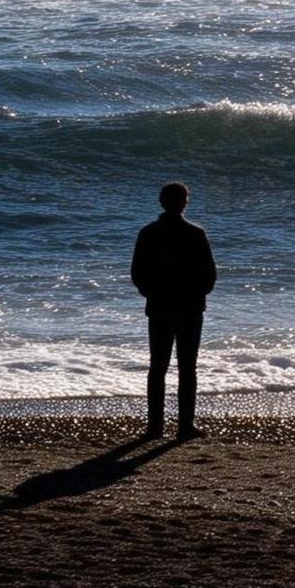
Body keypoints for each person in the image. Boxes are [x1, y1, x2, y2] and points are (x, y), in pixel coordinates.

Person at [130, 180, 217, 441]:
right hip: (190, 308)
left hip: (159, 307)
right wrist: (198, 294)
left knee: (158, 366)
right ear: (185, 203)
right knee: (187, 367)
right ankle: (184, 427)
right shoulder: (195, 233)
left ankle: (155, 427)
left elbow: (137, 273)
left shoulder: (148, 232)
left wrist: (152, 294)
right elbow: (210, 274)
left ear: (161, 202)